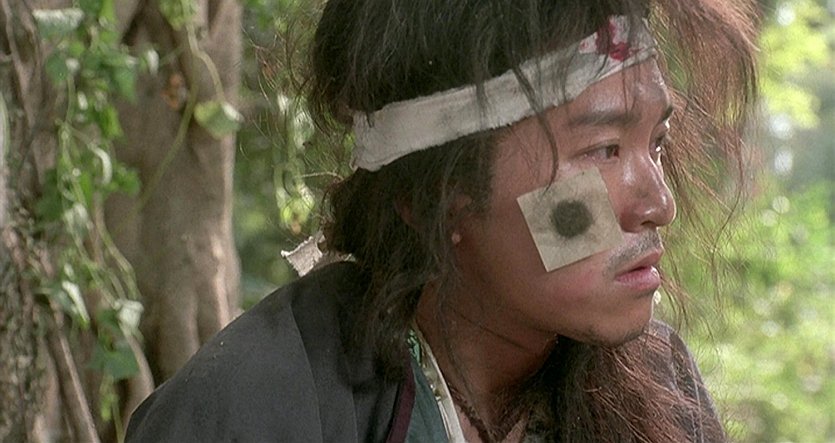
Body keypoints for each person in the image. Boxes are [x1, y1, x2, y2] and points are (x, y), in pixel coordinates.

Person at [126, 0, 757, 441]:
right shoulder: (252, 410)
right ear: (439, 191)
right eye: (603, 150)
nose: (658, 204)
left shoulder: (659, 386)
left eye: (657, 144)